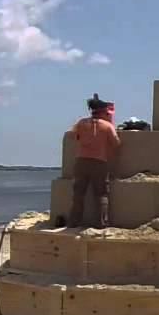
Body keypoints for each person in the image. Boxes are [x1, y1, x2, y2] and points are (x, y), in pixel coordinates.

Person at [67, 94, 121, 228]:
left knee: (78, 194)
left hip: (81, 161)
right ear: (103, 112)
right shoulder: (107, 126)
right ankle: (102, 224)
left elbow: (72, 135)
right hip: (99, 162)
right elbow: (116, 143)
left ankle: (74, 222)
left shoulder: (81, 123)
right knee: (101, 194)